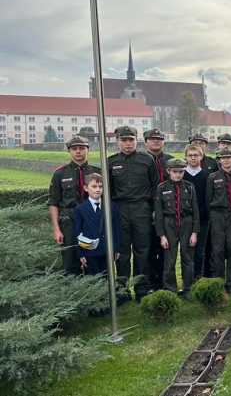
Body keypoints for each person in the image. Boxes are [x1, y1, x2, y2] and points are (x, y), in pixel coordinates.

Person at [108, 125, 160, 302]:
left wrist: (154, 210)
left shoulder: (147, 160)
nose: (128, 143)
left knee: (142, 250)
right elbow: (107, 190)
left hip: (141, 209)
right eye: (124, 140)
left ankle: (141, 288)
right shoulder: (111, 162)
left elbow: (155, 187)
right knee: (122, 253)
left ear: (136, 140)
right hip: (120, 209)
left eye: (131, 139)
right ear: (117, 141)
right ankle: (122, 290)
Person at [47, 136, 100, 276]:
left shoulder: (98, 172)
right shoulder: (60, 173)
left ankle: (96, 294)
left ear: (88, 150)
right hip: (68, 219)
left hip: (91, 219)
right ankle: (74, 294)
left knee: (94, 258)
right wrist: (56, 229)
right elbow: (53, 202)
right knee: (70, 260)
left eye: (82, 148)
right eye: (74, 149)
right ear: (69, 151)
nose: (78, 152)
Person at [74, 173, 119, 316]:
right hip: (90, 251)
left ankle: (106, 305)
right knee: (93, 278)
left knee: (107, 278)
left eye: (100, 186)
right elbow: (78, 232)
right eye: (94, 186)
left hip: (107, 250)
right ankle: (94, 307)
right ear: (86, 188)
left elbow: (115, 228)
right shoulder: (80, 209)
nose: (98, 189)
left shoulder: (110, 206)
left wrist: (116, 248)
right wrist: (80, 253)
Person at [154, 158, 199, 298]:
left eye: (181, 171)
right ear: (168, 171)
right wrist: (162, 235)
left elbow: (195, 210)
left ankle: (187, 288)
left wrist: (194, 232)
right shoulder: (161, 188)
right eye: (175, 172)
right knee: (170, 258)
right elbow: (159, 214)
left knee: (187, 257)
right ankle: (170, 289)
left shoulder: (190, 187)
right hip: (169, 223)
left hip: (186, 222)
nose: (178, 175)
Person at [206, 148, 231, 294]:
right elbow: (208, 198)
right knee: (217, 249)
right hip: (217, 214)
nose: (226, 160)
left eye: (229, 157)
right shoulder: (213, 177)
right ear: (219, 160)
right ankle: (218, 280)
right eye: (223, 158)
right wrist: (213, 215)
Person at [143, 128, 173, 292]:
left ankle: (164, 281)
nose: (156, 141)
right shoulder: (140, 160)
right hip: (146, 209)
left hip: (168, 210)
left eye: (159, 139)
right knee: (148, 247)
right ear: (145, 142)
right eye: (152, 139)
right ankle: (150, 282)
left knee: (166, 248)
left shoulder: (170, 161)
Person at [189, 133, 218, 277]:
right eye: (195, 143)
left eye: (201, 144)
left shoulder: (210, 168)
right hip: (187, 216)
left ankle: (205, 275)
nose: (193, 157)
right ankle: (189, 277)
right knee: (189, 249)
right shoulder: (182, 172)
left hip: (205, 214)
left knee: (206, 248)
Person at [182, 144, 210, 280]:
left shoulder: (207, 177)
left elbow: (208, 199)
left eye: (196, 155)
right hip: (184, 218)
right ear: (186, 157)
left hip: (202, 219)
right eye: (190, 155)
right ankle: (186, 279)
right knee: (186, 250)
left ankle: (198, 277)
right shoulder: (181, 176)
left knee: (199, 250)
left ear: (201, 156)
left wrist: (199, 215)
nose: (193, 158)